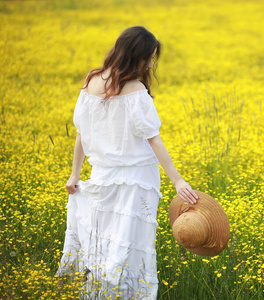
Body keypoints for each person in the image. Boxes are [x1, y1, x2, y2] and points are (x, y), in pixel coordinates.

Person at [56, 26, 198, 300]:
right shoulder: (135, 90)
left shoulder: (91, 80)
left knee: (104, 246)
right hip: (136, 180)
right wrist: (178, 181)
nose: (150, 64)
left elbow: (81, 135)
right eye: (149, 57)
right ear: (138, 56)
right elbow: (154, 140)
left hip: (102, 178)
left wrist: (75, 174)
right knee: (129, 248)